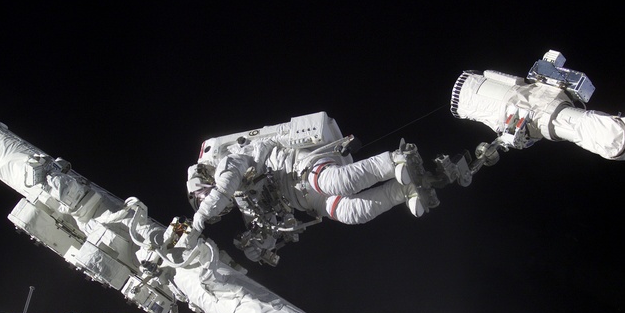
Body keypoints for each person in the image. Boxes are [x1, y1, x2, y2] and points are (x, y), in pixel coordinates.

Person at [184, 123, 436, 264]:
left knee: (337, 182)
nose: (210, 203)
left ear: (202, 180)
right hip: (304, 198)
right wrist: (257, 248)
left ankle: (396, 160)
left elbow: (225, 185)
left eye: (204, 196)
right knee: (351, 213)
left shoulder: (229, 163)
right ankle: (403, 190)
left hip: (297, 168)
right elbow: (266, 228)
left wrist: (202, 216)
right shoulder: (244, 200)